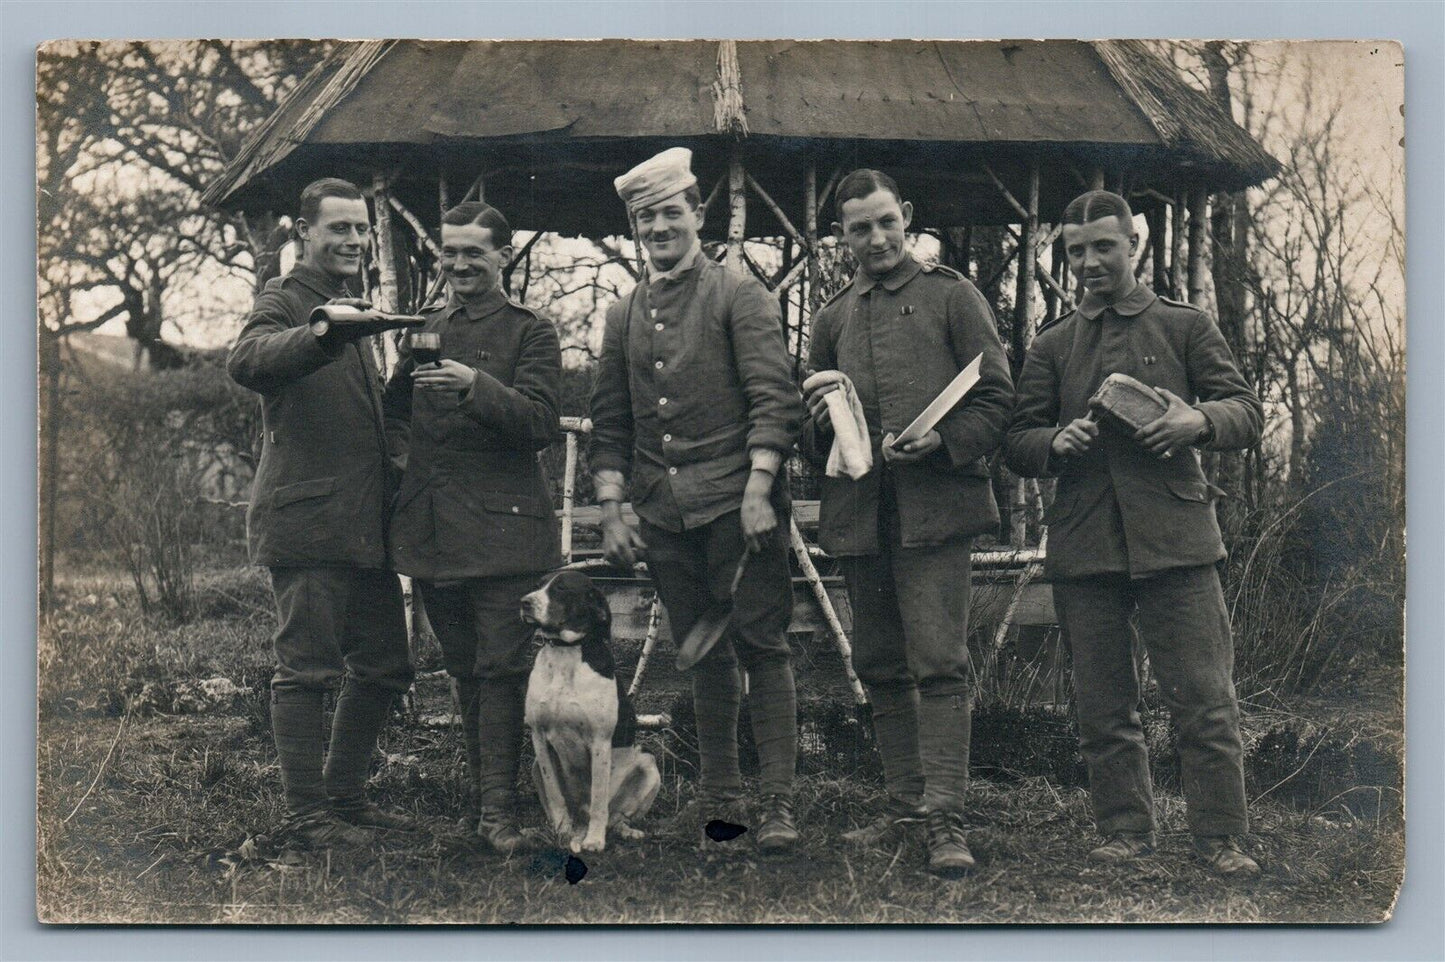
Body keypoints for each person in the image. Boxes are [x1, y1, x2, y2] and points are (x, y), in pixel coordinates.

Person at [1006, 190, 1264, 877]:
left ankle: (1220, 838)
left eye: (1102, 247)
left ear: (1133, 247)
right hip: (1086, 543)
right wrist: (1053, 442)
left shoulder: (1185, 326)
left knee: (1203, 700)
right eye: (1075, 251)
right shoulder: (1052, 343)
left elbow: (1244, 410)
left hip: (1176, 541)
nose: (1089, 262)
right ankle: (1123, 832)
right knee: (1102, 706)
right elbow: (1016, 438)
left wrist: (1196, 422)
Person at [588, 147, 806, 852]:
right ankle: (722, 801)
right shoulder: (621, 316)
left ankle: (776, 806)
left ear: (697, 215)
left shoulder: (739, 296)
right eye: (645, 216)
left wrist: (758, 488)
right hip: (664, 516)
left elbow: (774, 399)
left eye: (670, 212)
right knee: (700, 652)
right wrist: (614, 506)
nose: (659, 226)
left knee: (762, 647)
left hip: (738, 510)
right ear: (634, 225)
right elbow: (612, 423)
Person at [798, 169, 1013, 877]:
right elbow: (813, 433)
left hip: (935, 513)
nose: (876, 238)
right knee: (880, 665)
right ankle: (904, 810)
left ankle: (946, 821)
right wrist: (818, 424)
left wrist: (944, 443)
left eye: (886, 221)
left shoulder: (952, 297)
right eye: (859, 227)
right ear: (842, 236)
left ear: (907, 216)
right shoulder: (830, 318)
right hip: (861, 517)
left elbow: (997, 402)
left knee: (940, 663)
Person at [227, 178, 415, 848]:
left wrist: (400, 440)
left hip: (363, 526)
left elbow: (369, 421)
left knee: (386, 662)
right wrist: (321, 332)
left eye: (361, 229)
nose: (354, 241)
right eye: (339, 228)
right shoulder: (287, 301)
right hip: (307, 524)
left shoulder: (349, 309)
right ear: (303, 231)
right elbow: (246, 360)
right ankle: (308, 818)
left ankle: (344, 799)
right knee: (305, 669)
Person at [382, 202, 562, 854]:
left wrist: (474, 385)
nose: (459, 265)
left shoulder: (531, 332)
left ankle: (499, 815)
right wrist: (405, 466)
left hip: (504, 536)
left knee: (502, 671)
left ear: (502, 257)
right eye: (449, 253)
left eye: (473, 253)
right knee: (463, 670)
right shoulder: (426, 328)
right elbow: (393, 412)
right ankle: (482, 803)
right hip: (433, 532)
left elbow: (541, 421)